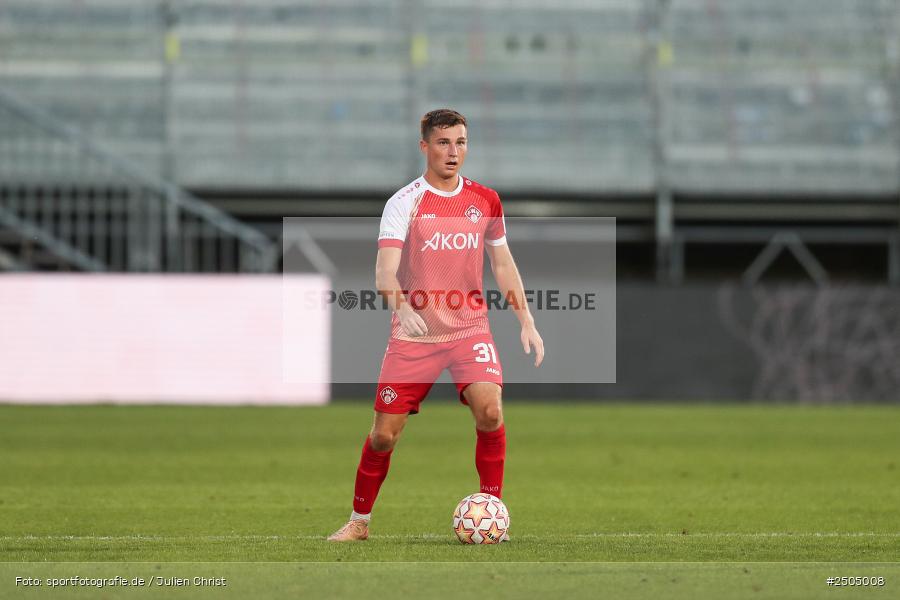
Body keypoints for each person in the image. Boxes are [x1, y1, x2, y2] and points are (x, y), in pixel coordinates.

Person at [327, 108, 544, 542]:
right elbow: (384, 273)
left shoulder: (485, 200)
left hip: (469, 329)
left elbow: (502, 263)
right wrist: (403, 308)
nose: (453, 152)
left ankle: (491, 511)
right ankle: (359, 522)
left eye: (461, 142)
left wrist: (527, 319)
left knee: (490, 410)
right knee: (384, 437)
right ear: (424, 146)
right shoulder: (404, 202)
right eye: (444, 142)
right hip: (415, 335)